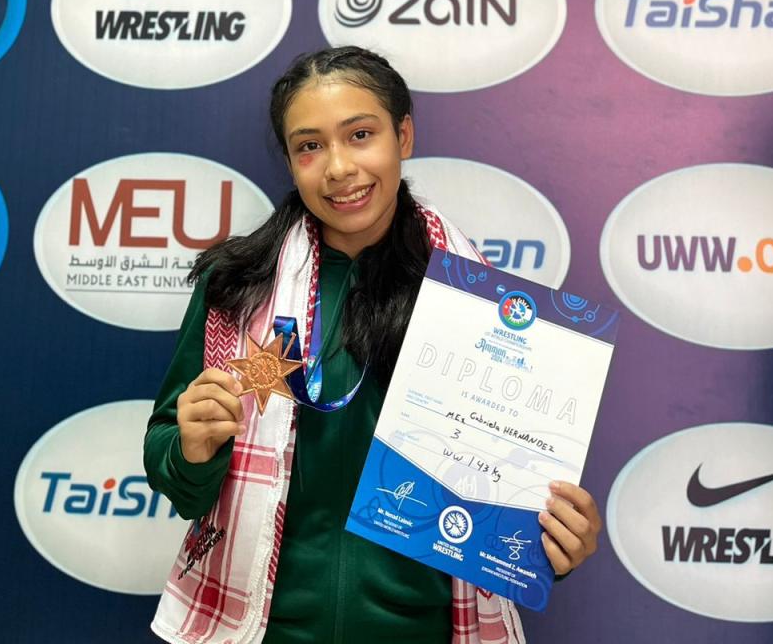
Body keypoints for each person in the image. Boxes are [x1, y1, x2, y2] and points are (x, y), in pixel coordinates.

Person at [145, 46, 601, 644]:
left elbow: (513, 502)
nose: (338, 167)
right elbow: (172, 464)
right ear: (291, 161)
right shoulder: (237, 287)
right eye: (310, 146)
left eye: (360, 135)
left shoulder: (485, 309)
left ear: (403, 136)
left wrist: (554, 542)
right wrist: (191, 448)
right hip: (258, 630)